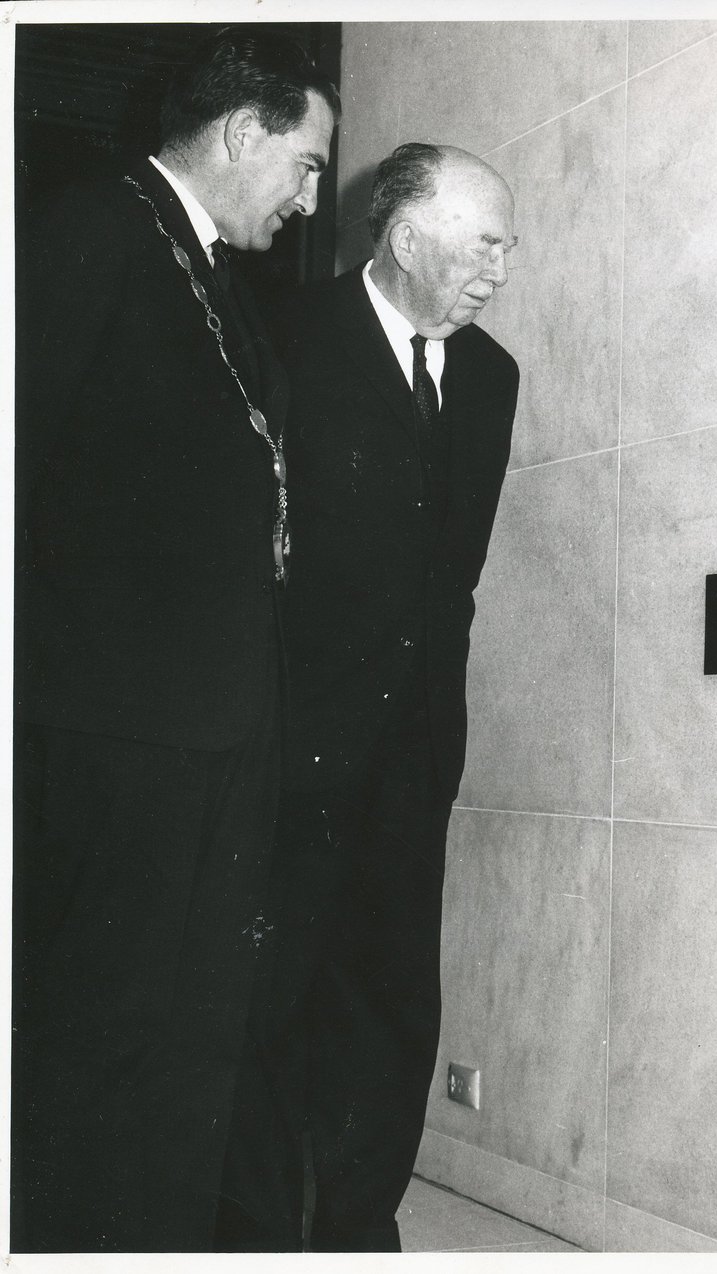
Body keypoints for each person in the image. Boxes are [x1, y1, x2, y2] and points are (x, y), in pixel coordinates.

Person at [11, 28, 339, 1253]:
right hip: (110, 730)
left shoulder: (220, 281)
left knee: (188, 1029)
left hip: (213, 731)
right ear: (240, 132)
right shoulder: (91, 228)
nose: (313, 196)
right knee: (101, 1034)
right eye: (304, 164)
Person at [221, 142, 520, 1252]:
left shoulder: (492, 377)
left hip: (415, 744)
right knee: (268, 985)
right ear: (405, 237)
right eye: (484, 241)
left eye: (509, 244)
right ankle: (250, 1228)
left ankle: (357, 1223)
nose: (502, 266)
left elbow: (457, 573)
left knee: (391, 993)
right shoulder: (280, 336)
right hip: (289, 735)